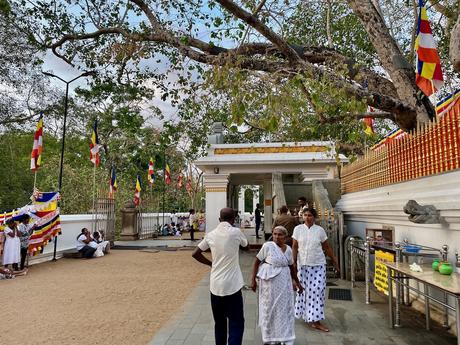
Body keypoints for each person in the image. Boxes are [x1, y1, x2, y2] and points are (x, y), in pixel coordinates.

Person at [192, 207, 248, 345]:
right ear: (233, 219)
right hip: (233, 286)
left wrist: (211, 264)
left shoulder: (211, 234)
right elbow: (246, 246)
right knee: (236, 322)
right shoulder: (236, 232)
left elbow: (195, 253)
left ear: (219, 219)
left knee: (220, 323)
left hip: (215, 286)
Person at [251, 226, 303, 345]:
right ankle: (269, 338)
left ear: (285, 236)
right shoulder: (267, 246)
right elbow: (256, 262)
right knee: (269, 308)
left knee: (284, 309)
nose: (276, 237)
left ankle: (285, 337)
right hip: (269, 283)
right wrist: (253, 280)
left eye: (279, 234)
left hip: (284, 282)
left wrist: (297, 282)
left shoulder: (289, 249)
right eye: (274, 234)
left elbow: (291, 267)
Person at [292, 208, 339, 332]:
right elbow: (295, 247)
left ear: (314, 217)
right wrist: (293, 263)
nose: (307, 217)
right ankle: (308, 316)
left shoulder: (320, 230)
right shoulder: (298, 229)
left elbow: (327, 247)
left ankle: (316, 321)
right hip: (303, 265)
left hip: (318, 265)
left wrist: (334, 260)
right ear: (302, 217)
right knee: (303, 291)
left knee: (317, 292)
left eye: (310, 215)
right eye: (305, 215)